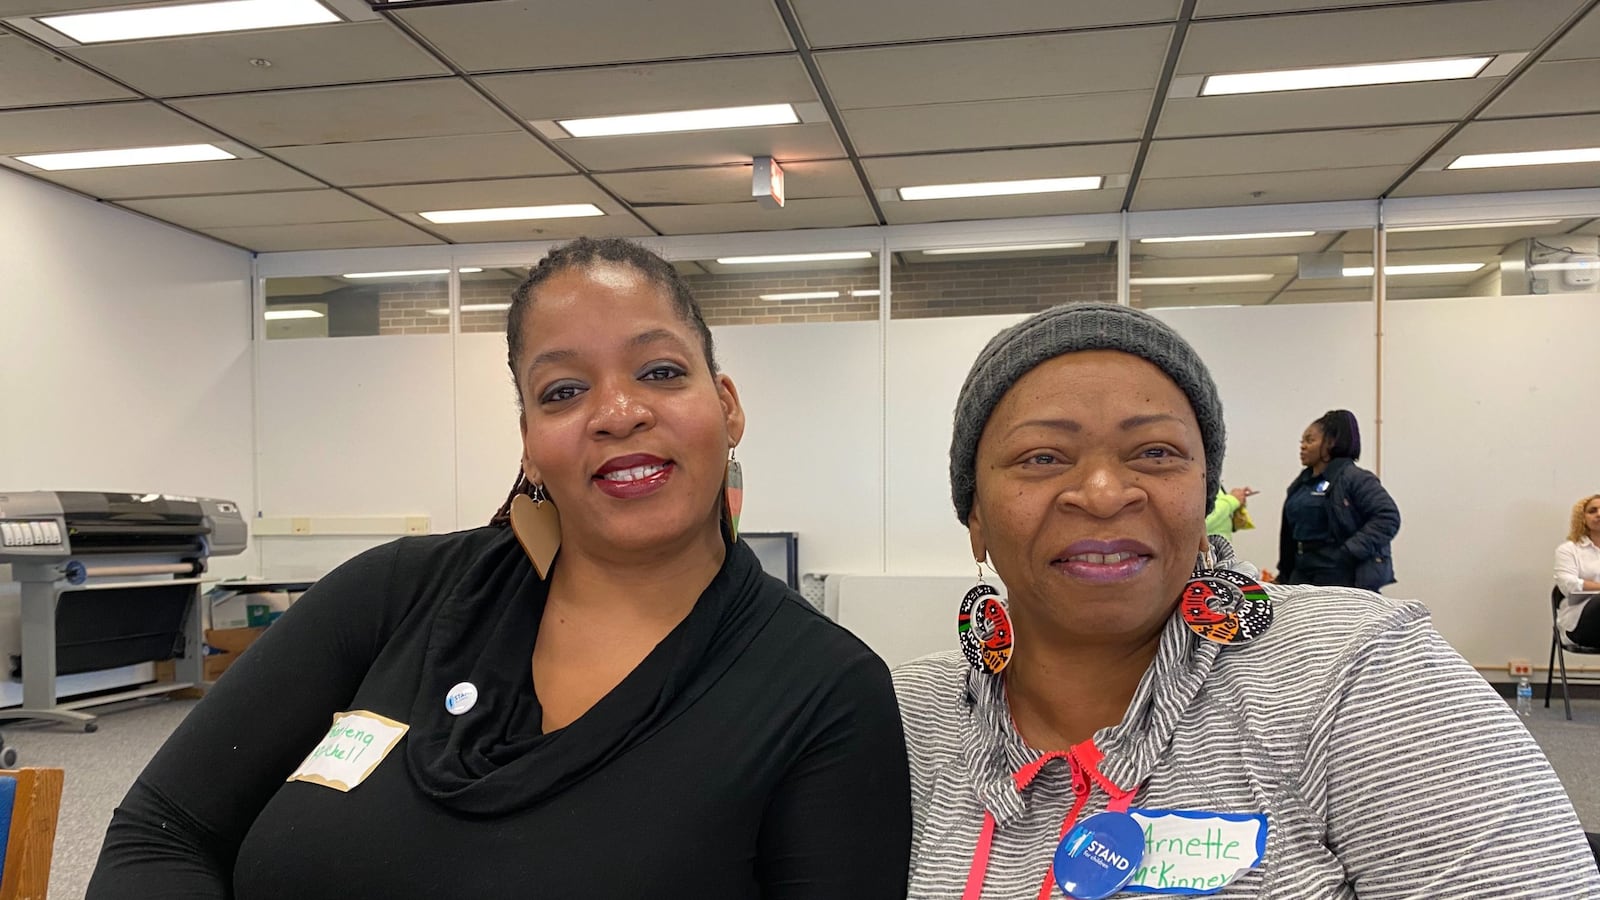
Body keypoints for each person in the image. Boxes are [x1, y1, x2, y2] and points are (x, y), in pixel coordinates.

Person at [88, 238, 911, 899]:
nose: (618, 412)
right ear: (528, 439)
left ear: (726, 406)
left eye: (659, 371)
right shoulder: (391, 597)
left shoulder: (822, 691)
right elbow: (162, 830)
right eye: (562, 391)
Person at [894, 302, 1597, 898]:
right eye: (1042, 457)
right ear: (975, 514)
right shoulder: (889, 717)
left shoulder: (1358, 676)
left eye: (1157, 453)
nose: (1106, 493)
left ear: (1205, 498)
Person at [1277, 409, 1400, 591]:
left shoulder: (1355, 478)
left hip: (1341, 575)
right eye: (1302, 441)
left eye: (1310, 440)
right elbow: (1289, 535)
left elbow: (1388, 517)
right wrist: (1283, 575)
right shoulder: (1301, 483)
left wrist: (1349, 552)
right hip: (1302, 574)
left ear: (1331, 443)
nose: (1303, 446)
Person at [1555, 493, 1600, 645]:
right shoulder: (1569, 550)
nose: (1599, 514)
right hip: (1579, 623)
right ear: (1582, 518)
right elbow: (1568, 584)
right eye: (1592, 511)